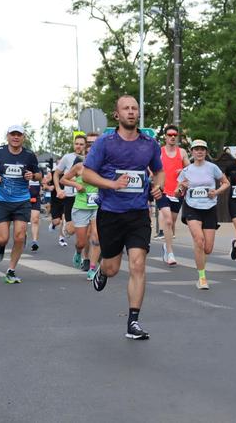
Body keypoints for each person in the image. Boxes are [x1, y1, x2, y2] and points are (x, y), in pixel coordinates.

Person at [82, 95, 164, 340]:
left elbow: (158, 171)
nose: (131, 112)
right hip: (111, 214)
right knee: (113, 267)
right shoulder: (105, 143)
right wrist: (111, 184)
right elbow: (86, 174)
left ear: (138, 113)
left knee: (138, 264)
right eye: (126, 109)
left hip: (138, 213)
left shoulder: (149, 144)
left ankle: (133, 322)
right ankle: (102, 272)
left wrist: (158, 186)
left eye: (134, 108)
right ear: (117, 115)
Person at [0, 125, 41, 283]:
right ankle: (0, 247)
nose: (15, 137)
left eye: (19, 135)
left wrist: (32, 175)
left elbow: (39, 175)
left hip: (22, 201)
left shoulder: (29, 155)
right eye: (13, 134)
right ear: (7, 136)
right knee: (2, 239)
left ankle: (11, 270)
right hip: (2, 201)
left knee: (20, 237)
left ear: (23, 137)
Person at [175, 139, 230, 289]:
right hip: (192, 207)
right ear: (192, 152)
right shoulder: (186, 171)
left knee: (208, 248)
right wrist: (181, 188)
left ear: (206, 152)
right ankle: (202, 277)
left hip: (209, 208)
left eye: (202, 149)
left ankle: (200, 260)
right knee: (199, 240)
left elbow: (226, 183)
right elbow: (177, 192)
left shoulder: (213, 168)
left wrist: (216, 192)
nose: (199, 152)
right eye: (196, 149)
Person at [61, 132, 101, 280]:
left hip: (98, 206)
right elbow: (63, 180)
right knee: (81, 242)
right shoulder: (79, 167)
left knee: (96, 238)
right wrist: (76, 184)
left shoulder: (104, 166)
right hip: (81, 207)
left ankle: (92, 268)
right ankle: (78, 252)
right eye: (89, 148)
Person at [155, 125, 190, 265]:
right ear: (165, 137)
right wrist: (154, 178)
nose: (172, 137)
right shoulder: (159, 151)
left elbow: (189, 169)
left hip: (177, 191)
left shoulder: (182, 152)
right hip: (162, 190)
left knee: (172, 222)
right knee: (168, 220)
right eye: (170, 134)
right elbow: (150, 167)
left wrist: (183, 170)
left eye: (175, 134)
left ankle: (166, 246)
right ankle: (170, 253)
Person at [51, 135, 87, 247]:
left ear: (85, 145)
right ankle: (67, 226)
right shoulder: (67, 157)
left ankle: (83, 250)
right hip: (70, 196)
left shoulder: (90, 158)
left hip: (86, 196)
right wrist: (58, 189)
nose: (78, 146)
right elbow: (56, 174)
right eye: (76, 144)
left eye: (81, 144)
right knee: (71, 231)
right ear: (73, 144)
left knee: (88, 230)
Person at [28, 171, 43, 251]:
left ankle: (34, 241)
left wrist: (42, 187)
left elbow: (42, 181)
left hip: (35, 197)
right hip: (23, 196)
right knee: (22, 221)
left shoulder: (38, 170)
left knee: (35, 219)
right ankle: (22, 235)